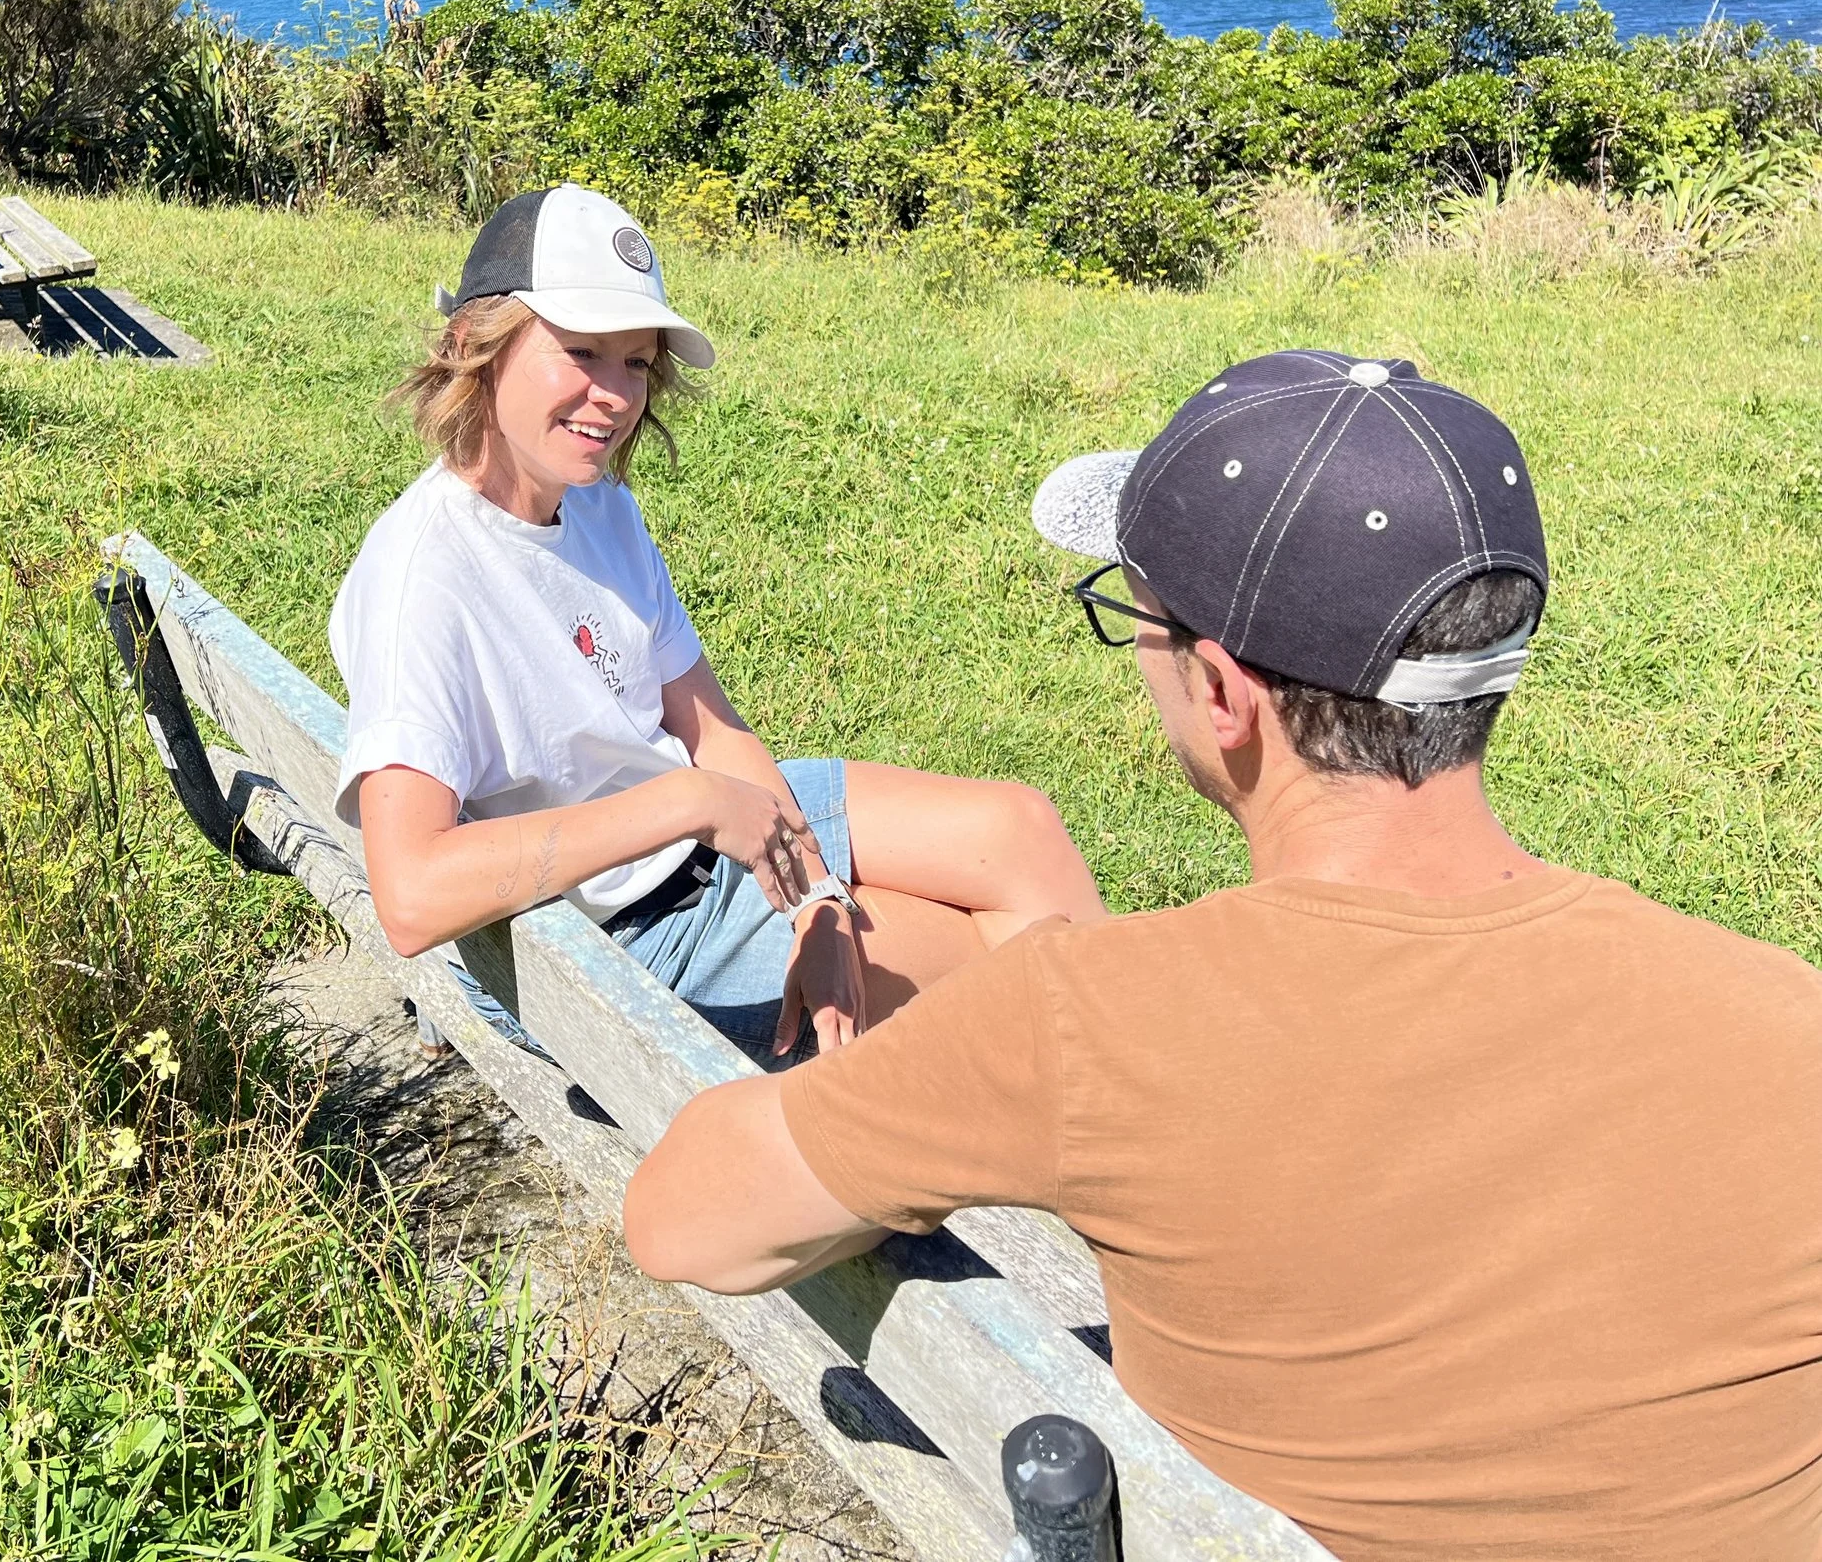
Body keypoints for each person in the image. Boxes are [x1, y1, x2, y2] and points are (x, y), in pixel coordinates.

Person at [623, 349, 1822, 1560]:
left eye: (1134, 618)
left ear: (1221, 694)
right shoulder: (1789, 1021)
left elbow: (683, 1224)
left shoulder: (1089, 1022)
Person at [329, 183, 1103, 1062]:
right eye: (580, 349)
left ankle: (1157, 1120)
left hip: (712, 837)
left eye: (635, 361)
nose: (615, 396)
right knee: (994, 965)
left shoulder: (597, 504)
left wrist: (813, 893)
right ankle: (1158, 1144)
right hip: (637, 931)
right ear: (476, 344)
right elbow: (413, 893)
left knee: (1020, 831)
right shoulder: (424, 580)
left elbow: (708, 724)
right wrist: (686, 805)